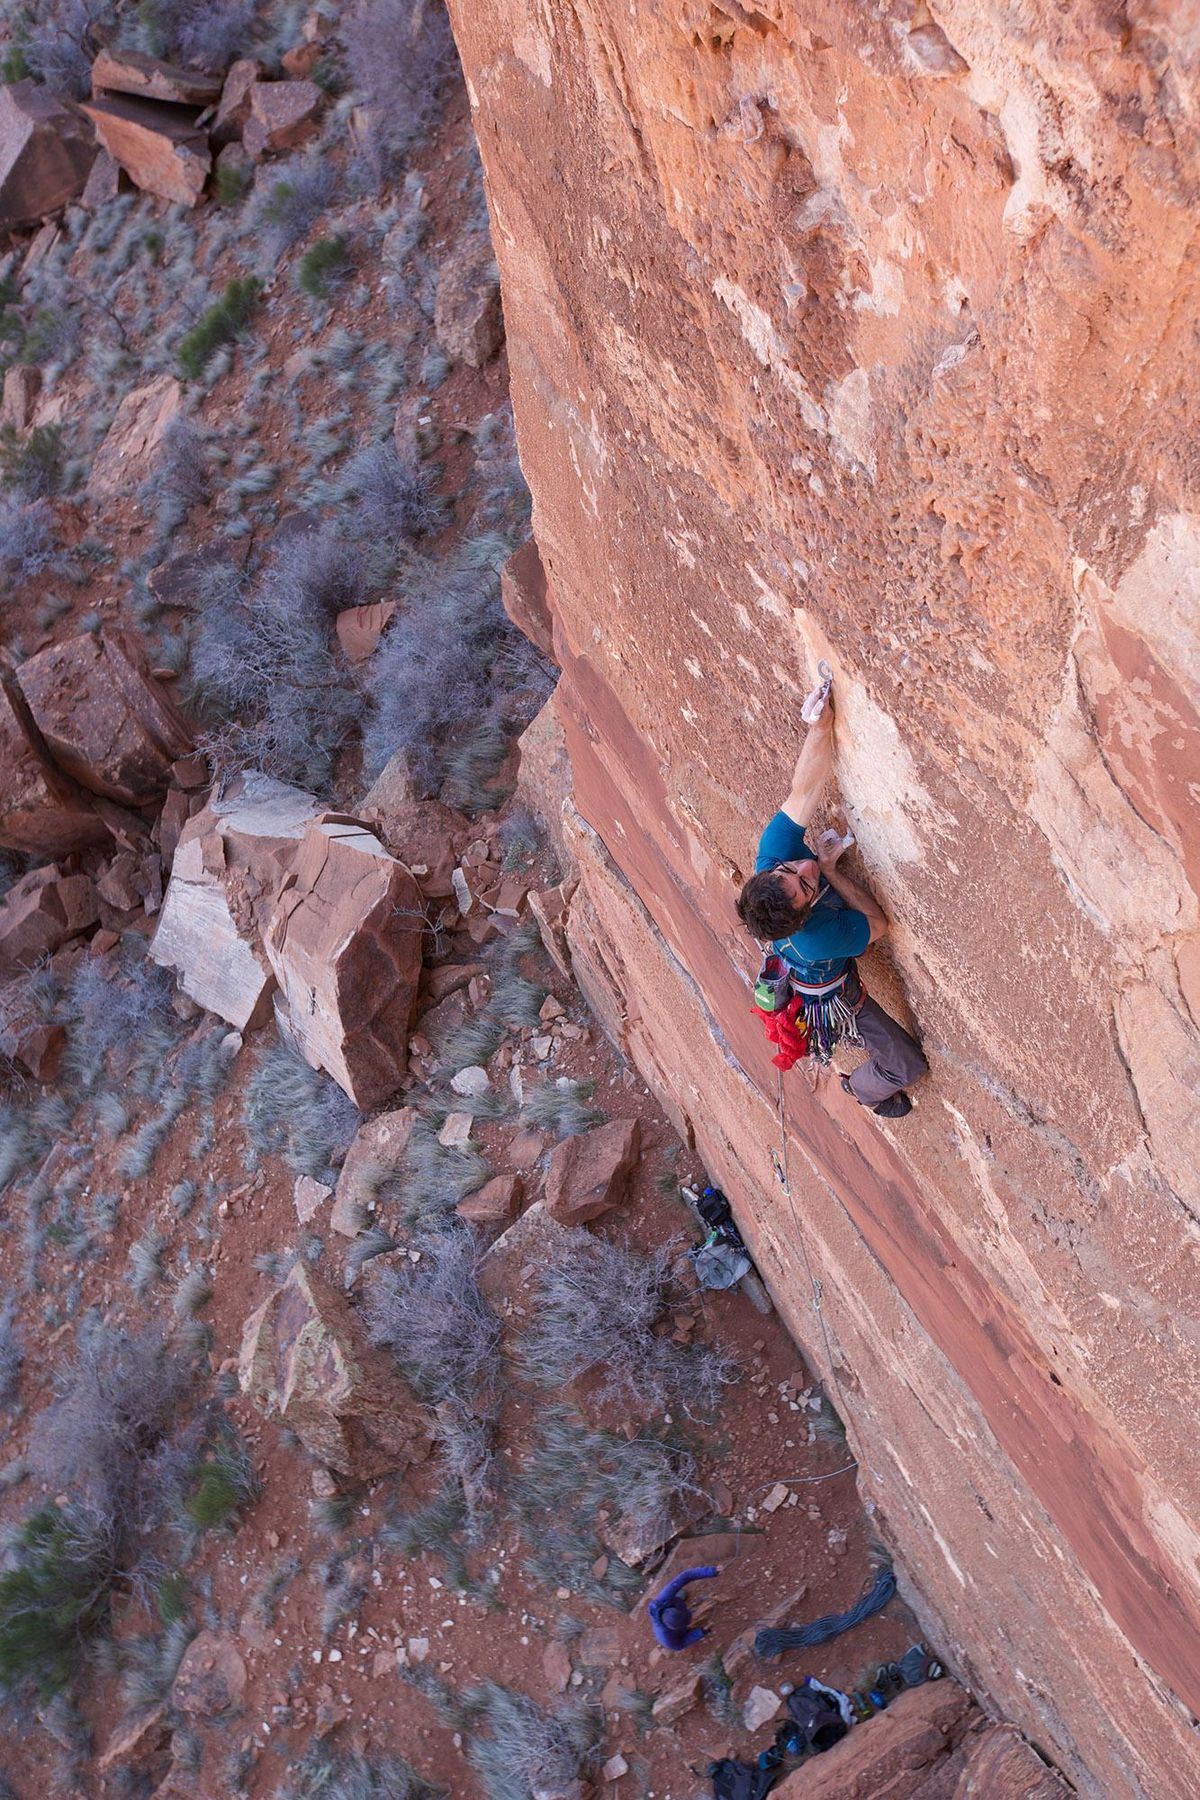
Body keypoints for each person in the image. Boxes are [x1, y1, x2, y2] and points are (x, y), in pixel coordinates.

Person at [735, 695, 928, 1119]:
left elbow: (803, 790)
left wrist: (819, 727)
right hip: (835, 994)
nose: (803, 865)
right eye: (806, 885)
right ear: (804, 915)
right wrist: (831, 872)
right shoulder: (818, 936)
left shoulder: (773, 857)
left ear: (768, 873)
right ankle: (861, 1089)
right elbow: (878, 924)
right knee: (906, 1065)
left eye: (792, 870)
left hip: (807, 961)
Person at [647, 1564, 719, 1651]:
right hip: (678, 1626)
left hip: (675, 1602)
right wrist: (701, 1632)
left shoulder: (663, 1598)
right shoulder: (666, 1639)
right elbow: (680, 1644)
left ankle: (680, 1598)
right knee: (690, 1627)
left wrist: (712, 1571)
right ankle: (687, 1627)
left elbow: (686, 1576)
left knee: (679, 1593)